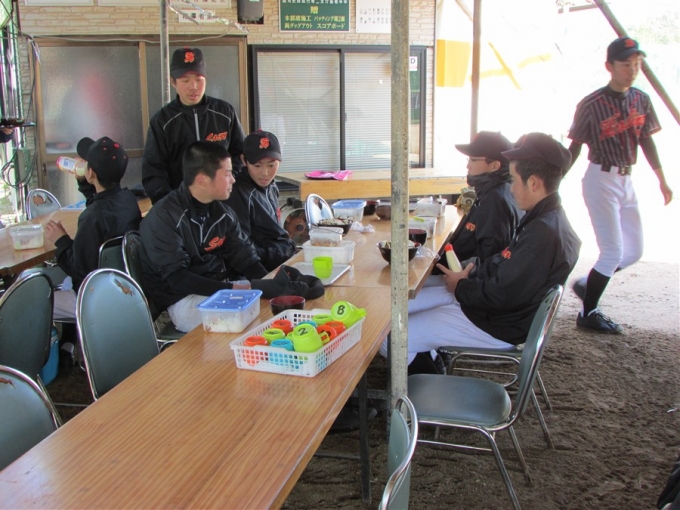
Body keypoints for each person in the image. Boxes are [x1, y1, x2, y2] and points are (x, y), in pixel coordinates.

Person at [381, 133, 581, 366]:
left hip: (498, 323)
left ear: (534, 183)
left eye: (515, 180)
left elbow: (503, 294)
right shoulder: (548, 219)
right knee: (394, 312)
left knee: (390, 339)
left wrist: (462, 287)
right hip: (496, 310)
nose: (511, 188)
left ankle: (430, 384)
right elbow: (504, 267)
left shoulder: (542, 233)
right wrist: (470, 277)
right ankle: (431, 360)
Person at [140, 141, 323, 333]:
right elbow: (178, 279)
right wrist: (237, 289)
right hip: (183, 299)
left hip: (221, 287)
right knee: (258, 318)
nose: (234, 180)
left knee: (276, 305)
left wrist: (271, 285)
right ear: (202, 179)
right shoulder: (164, 217)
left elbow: (246, 259)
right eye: (227, 174)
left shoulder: (222, 212)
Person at [567, 37, 673, 334]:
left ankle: (588, 285)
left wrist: (662, 179)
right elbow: (575, 146)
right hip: (600, 178)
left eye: (637, 64)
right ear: (609, 66)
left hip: (627, 178)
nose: (632, 70)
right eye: (626, 64)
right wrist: (555, 180)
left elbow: (646, 140)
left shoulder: (641, 99)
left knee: (634, 251)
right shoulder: (591, 104)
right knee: (612, 252)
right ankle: (588, 312)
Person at [44, 136, 142, 319]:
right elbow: (102, 201)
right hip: (122, 287)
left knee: (36, 302)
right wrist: (85, 182)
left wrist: (61, 240)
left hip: (92, 296)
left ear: (90, 173)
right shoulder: (128, 200)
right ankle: (71, 337)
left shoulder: (91, 217)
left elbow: (79, 268)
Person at [142, 47, 245, 205]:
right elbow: (153, 171)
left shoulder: (225, 113)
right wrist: (171, 204)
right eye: (185, 80)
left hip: (223, 203)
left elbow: (240, 154)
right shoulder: (163, 121)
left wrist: (227, 183)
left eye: (199, 79)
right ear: (173, 82)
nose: (193, 86)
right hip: (181, 205)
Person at [225, 130, 296, 272]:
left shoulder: (272, 186)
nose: (265, 173)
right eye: (257, 165)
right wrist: (279, 253)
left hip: (281, 258)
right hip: (260, 269)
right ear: (244, 160)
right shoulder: (237, 194)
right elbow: (241, 247)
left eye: (271, 165)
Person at [447, 131, 521, 262]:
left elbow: (490, 257)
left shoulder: (494, 200)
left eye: (473, 160)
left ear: (494, 166)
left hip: (464, 272)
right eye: (468, 159)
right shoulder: (501, 190)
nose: (468, 166)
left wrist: (462, 273)